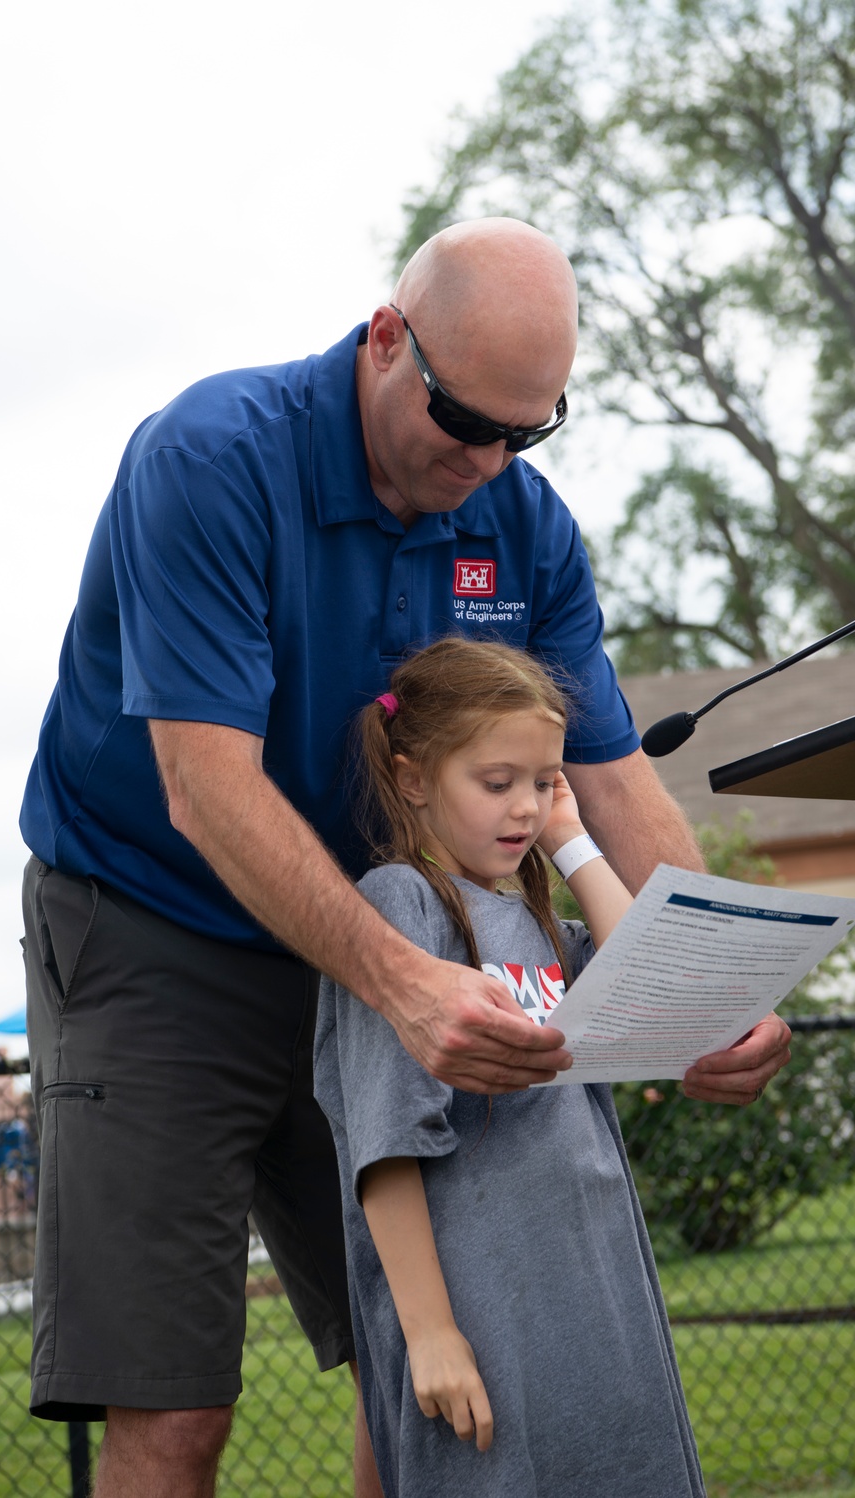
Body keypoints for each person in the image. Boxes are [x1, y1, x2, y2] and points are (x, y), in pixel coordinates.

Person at [19, 217, 790, 1498]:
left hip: (390, 939)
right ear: (387, 339)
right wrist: (404, 982)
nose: (487, 460)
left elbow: (603, 773)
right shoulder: (212, 460)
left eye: (524, 432)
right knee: (174, 1411)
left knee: (434, 1360)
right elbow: (204, 786)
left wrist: (706, 990)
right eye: (463, 420)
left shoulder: (525, 531)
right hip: (154, 934)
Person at [314, 637, 706, 1496]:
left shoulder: (534, 917)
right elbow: (385, 1142)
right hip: (483, 1307)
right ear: (414, 778)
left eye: (544, 782)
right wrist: (430, 1331)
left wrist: (573, 844)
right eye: (498, 783)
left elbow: (649, 978)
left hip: (595, 1295)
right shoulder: (400, 906)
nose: (524, 807)